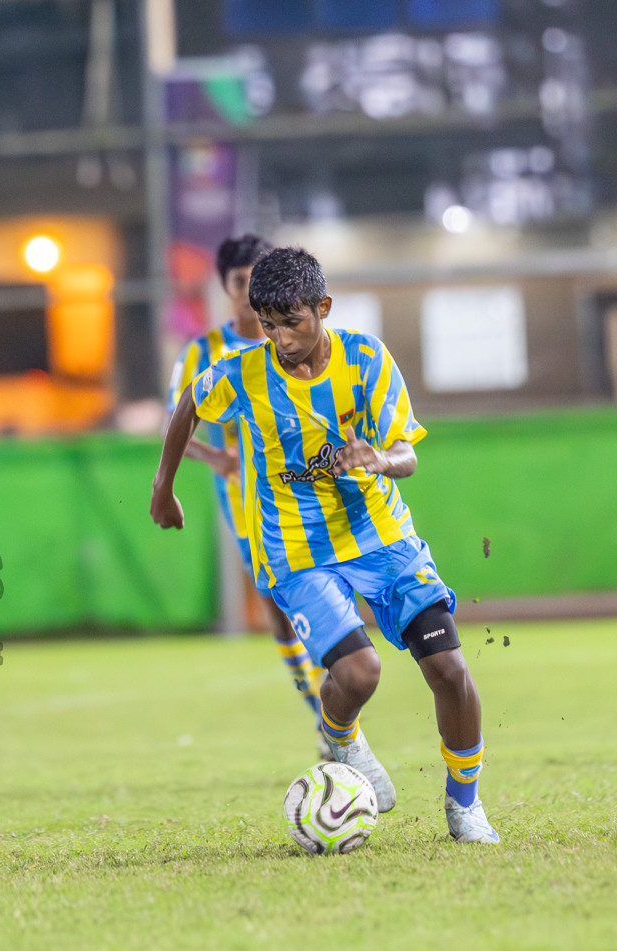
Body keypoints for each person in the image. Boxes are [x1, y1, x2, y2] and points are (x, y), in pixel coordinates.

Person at [150, 247, 499, 844]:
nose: (281, 338)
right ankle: (342, 736)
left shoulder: (366, 359)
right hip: (296, 550)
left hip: (383, 539)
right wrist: (164, 487)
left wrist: (379, 458)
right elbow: (186, 405)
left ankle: (464, 807)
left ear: (323, 308)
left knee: (449, 667)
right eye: (269, 324)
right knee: (360, 674)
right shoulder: (243, 373)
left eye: (293, 321)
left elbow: (408, 455)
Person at [164, 234, 328, 752]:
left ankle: (341, 706)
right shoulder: (205, 353)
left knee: (327, 601)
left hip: (318, 493)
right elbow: (178, 420)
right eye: (241, 282)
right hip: (252, 504)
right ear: (225, 287)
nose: (250, 290)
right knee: (278, 612)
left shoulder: (303, 340)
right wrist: (218, 459)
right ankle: (325, 713)